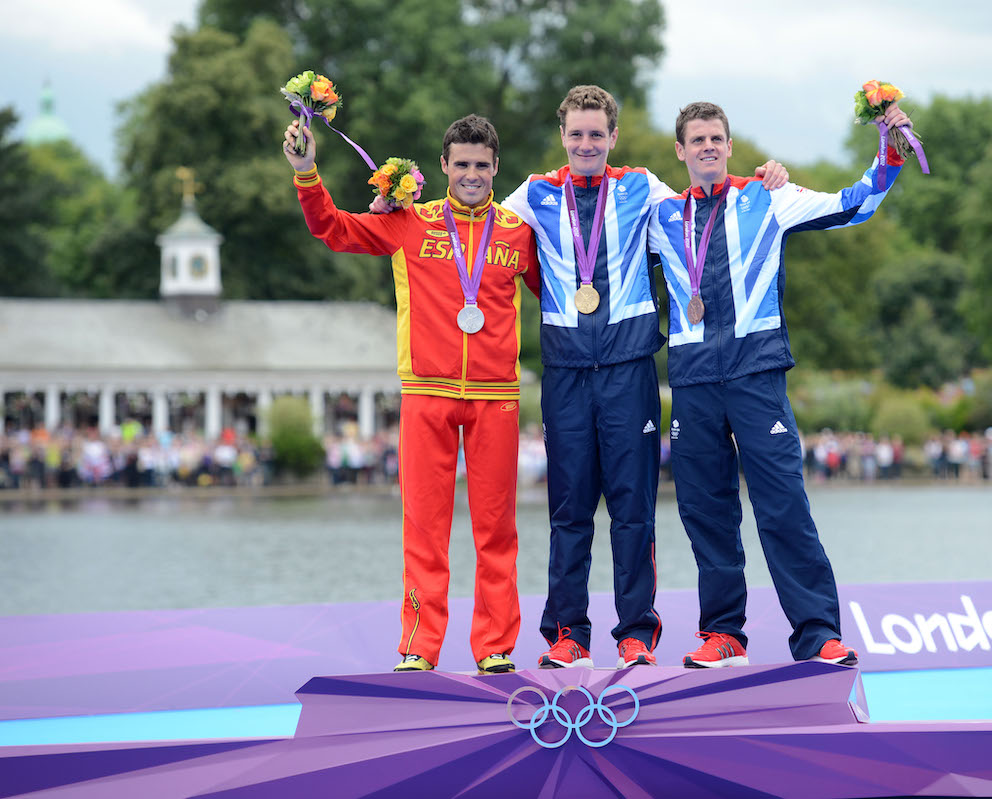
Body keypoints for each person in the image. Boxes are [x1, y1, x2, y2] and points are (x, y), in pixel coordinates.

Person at [501, 86, 789, 670]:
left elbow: (700, 209)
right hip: (564, 371)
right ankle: (567, 635)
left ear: (614, 137)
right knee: (568, 509)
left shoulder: (641, 188)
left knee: (634, 508)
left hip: (631, 369)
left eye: (597, 134)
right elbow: (477, 226)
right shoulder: (533, 193)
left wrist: (767, 179)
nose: (587, 144)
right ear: (563, 137)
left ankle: (636, 633)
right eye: (577, 134)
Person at [648, 99, 914, 668]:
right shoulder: (660, 216)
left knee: (783, 505)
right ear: (680, 150)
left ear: (729, 144)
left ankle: (817, 635)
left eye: (716, 138)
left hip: (756, 375)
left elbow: (854, 205)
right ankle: (723, 636)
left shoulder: (768, 198)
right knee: (704, 510)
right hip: (692, 381)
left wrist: (888, 154)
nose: (708, 148)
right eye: (697, 140)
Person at [282, 114, 540, 675]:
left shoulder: (519, 232)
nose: (472, 174)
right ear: (444, 165)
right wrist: (306, 172)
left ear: (497, 168)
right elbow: (334, 229)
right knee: (424, 529)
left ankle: (494, 646)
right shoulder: (407, 223)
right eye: (462, 164)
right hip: (426, 393)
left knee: (496, 529)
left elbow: (564, 290)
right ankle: (419, 647)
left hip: (497, 397)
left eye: (482, 165)